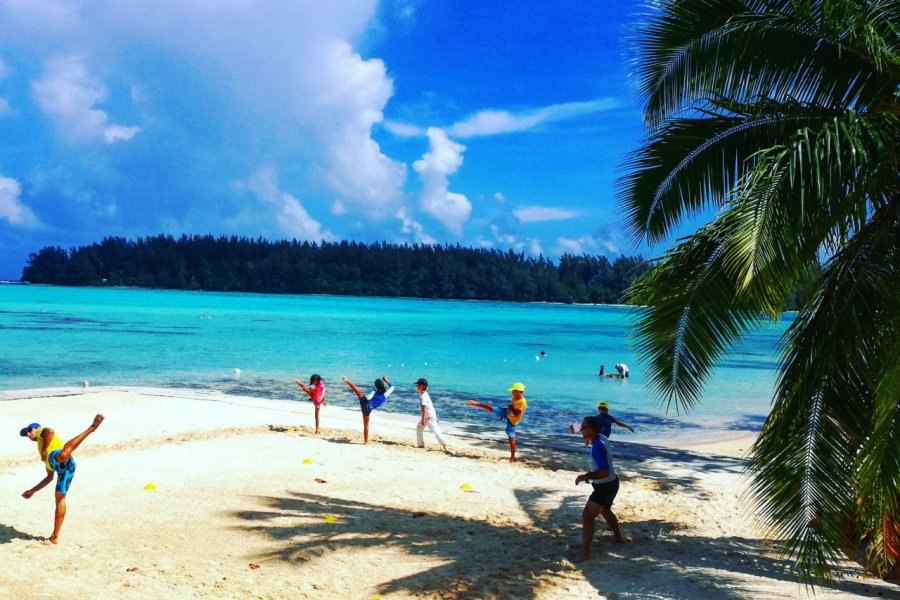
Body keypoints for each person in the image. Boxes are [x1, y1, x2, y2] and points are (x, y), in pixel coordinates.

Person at [20, 414, 105, 543]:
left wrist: (43, 452)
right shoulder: (42, 448)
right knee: (59, 499)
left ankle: (92, 428)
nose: (28, 435)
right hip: (65, 469)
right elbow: (49, 478)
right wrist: (32, 490)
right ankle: (55, 536)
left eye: (28, 432)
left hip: (58, 457)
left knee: (61, 455)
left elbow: (50, 431)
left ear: (34, 428)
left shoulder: (39, 431)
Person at [574, 415, 623, 562]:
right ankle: (619, 539)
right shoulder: (601, 438)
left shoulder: (598, 446)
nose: (580, 430)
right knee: (606, 511)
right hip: (613, 483)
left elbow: (604, 471)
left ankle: (584, 553)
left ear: (592, 429)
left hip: (605, 486)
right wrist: (589, 438)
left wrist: (585, 476)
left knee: (587, 516)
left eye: (583, 428)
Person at [467, 382, 527, 462]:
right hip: (507, 413)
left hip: (513, 421)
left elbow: (516, 414)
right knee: (491, 408)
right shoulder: (514, 397)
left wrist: (511, 407)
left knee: (511, 438)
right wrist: (503, 416)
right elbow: (510, 407)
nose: (511, 392)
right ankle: (476, 404)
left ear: (518, 391)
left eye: (513, 391)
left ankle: (513, 457)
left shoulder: (522, 402)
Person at [342, 375, 393, 444]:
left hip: (365, 403)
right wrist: (386, 380)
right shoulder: (385, 395)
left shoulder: (374, 392)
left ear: (376, 386)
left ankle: (346, 381)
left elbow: (368, 397)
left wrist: (370, 394)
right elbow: (392, 387)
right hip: (368, 409)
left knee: (356, 390)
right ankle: (365, 441)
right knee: (366, 425)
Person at [414, 378, 449, 452]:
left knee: (435, 430)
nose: (416, 386)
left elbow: (423, 408)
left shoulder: (423, 396)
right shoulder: (423, 394)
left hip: (429, 416)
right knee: (419, 428)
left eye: (417, 385)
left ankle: (445, 444)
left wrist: (423, 419)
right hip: (427, 415)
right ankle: (420, 445)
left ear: (421, 386)